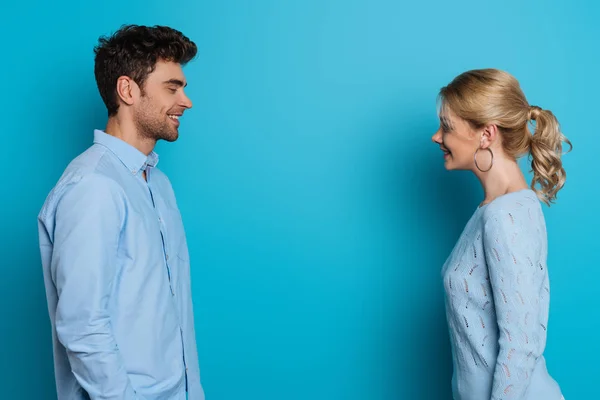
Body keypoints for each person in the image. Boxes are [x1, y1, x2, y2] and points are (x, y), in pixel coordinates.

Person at [37, 24, 204, 400]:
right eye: (173, 87)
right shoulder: (93, 187)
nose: (186, 101)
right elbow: (82, 327)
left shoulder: (157, 183)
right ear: (128, 90)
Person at [431, 69, 570, 400]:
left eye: (447, 127)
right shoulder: (496, 209)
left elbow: (521, 346)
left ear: (486, 134)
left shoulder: (504, 216)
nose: (437, 137)